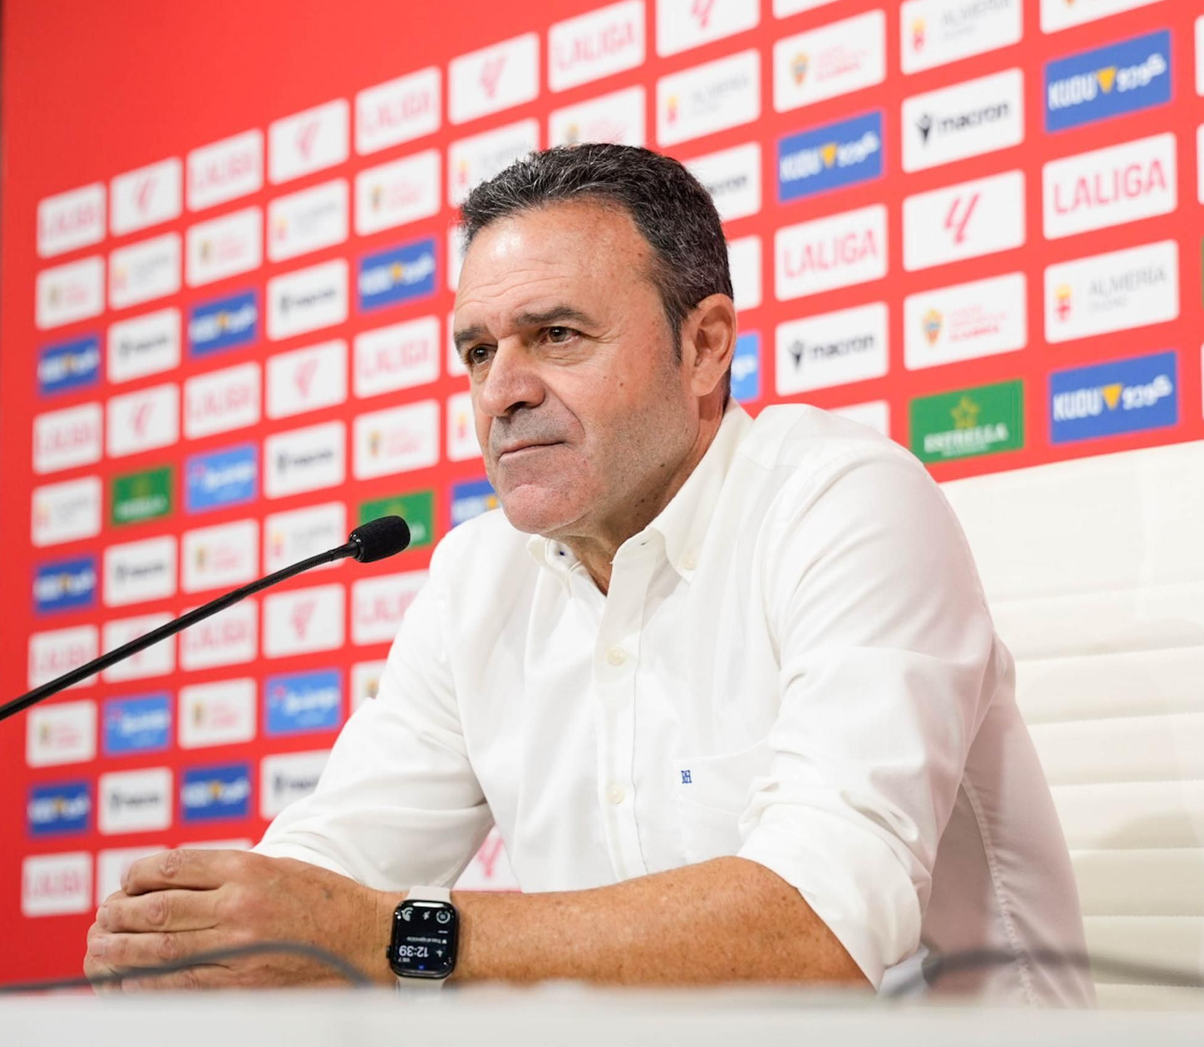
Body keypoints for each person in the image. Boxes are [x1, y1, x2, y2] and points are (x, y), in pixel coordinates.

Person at [84, 144, 1091, 1004]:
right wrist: (201, 944)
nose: (502, 392)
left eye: (556, 336)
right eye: (478, 351)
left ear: (704, 347)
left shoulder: (842, 503)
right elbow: (327, 875)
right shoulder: (478, 577)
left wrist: (389, 937)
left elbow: (820, 926)